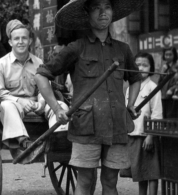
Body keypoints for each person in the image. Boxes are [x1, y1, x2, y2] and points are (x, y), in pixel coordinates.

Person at [34, 0, 143, 194]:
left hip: (117, 125)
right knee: (85, 180)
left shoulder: (123, 49)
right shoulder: (76, 48)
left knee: (110, 181)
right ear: (87, 14)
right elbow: (41, 75)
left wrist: (131, 103)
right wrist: (57, 109)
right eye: (96, 8)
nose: (103, 12)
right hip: (86, 127)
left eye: (107, 7)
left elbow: (135, 78)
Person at [0, 19, 69, 151]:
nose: (20, 42)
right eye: (16, 39)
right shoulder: (1, 65)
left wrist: (41, 102)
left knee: (61, 105)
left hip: (37, 104)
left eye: (24, 38)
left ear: (30, 41)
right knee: (6, 105)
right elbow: (0, 93)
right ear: (10, 42)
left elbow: (43, 87)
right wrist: (19, 101)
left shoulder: (38, 62)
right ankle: (22, 140)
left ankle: (59, 137)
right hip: (14, 105)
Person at [125, 52, 162, 195]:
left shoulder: (153, 87)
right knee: (140, 170)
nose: (141, 68)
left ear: (151, 67)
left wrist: (151, 135)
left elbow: (157, 114)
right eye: (138, 65)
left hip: (147, 135)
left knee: (152, 170)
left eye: (145, 65)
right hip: (134, 134)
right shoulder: (130, 88)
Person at [159, 47, 178, 118]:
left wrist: (172, 89)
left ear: (174, 55)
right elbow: (160, 79)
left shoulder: (176, 65)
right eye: (166, 54)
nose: (168, 56)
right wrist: (163, 71)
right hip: (164, 94)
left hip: (174, 95)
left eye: (170, 54)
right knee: (164, 114)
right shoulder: (164, 65)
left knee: (172, 115)